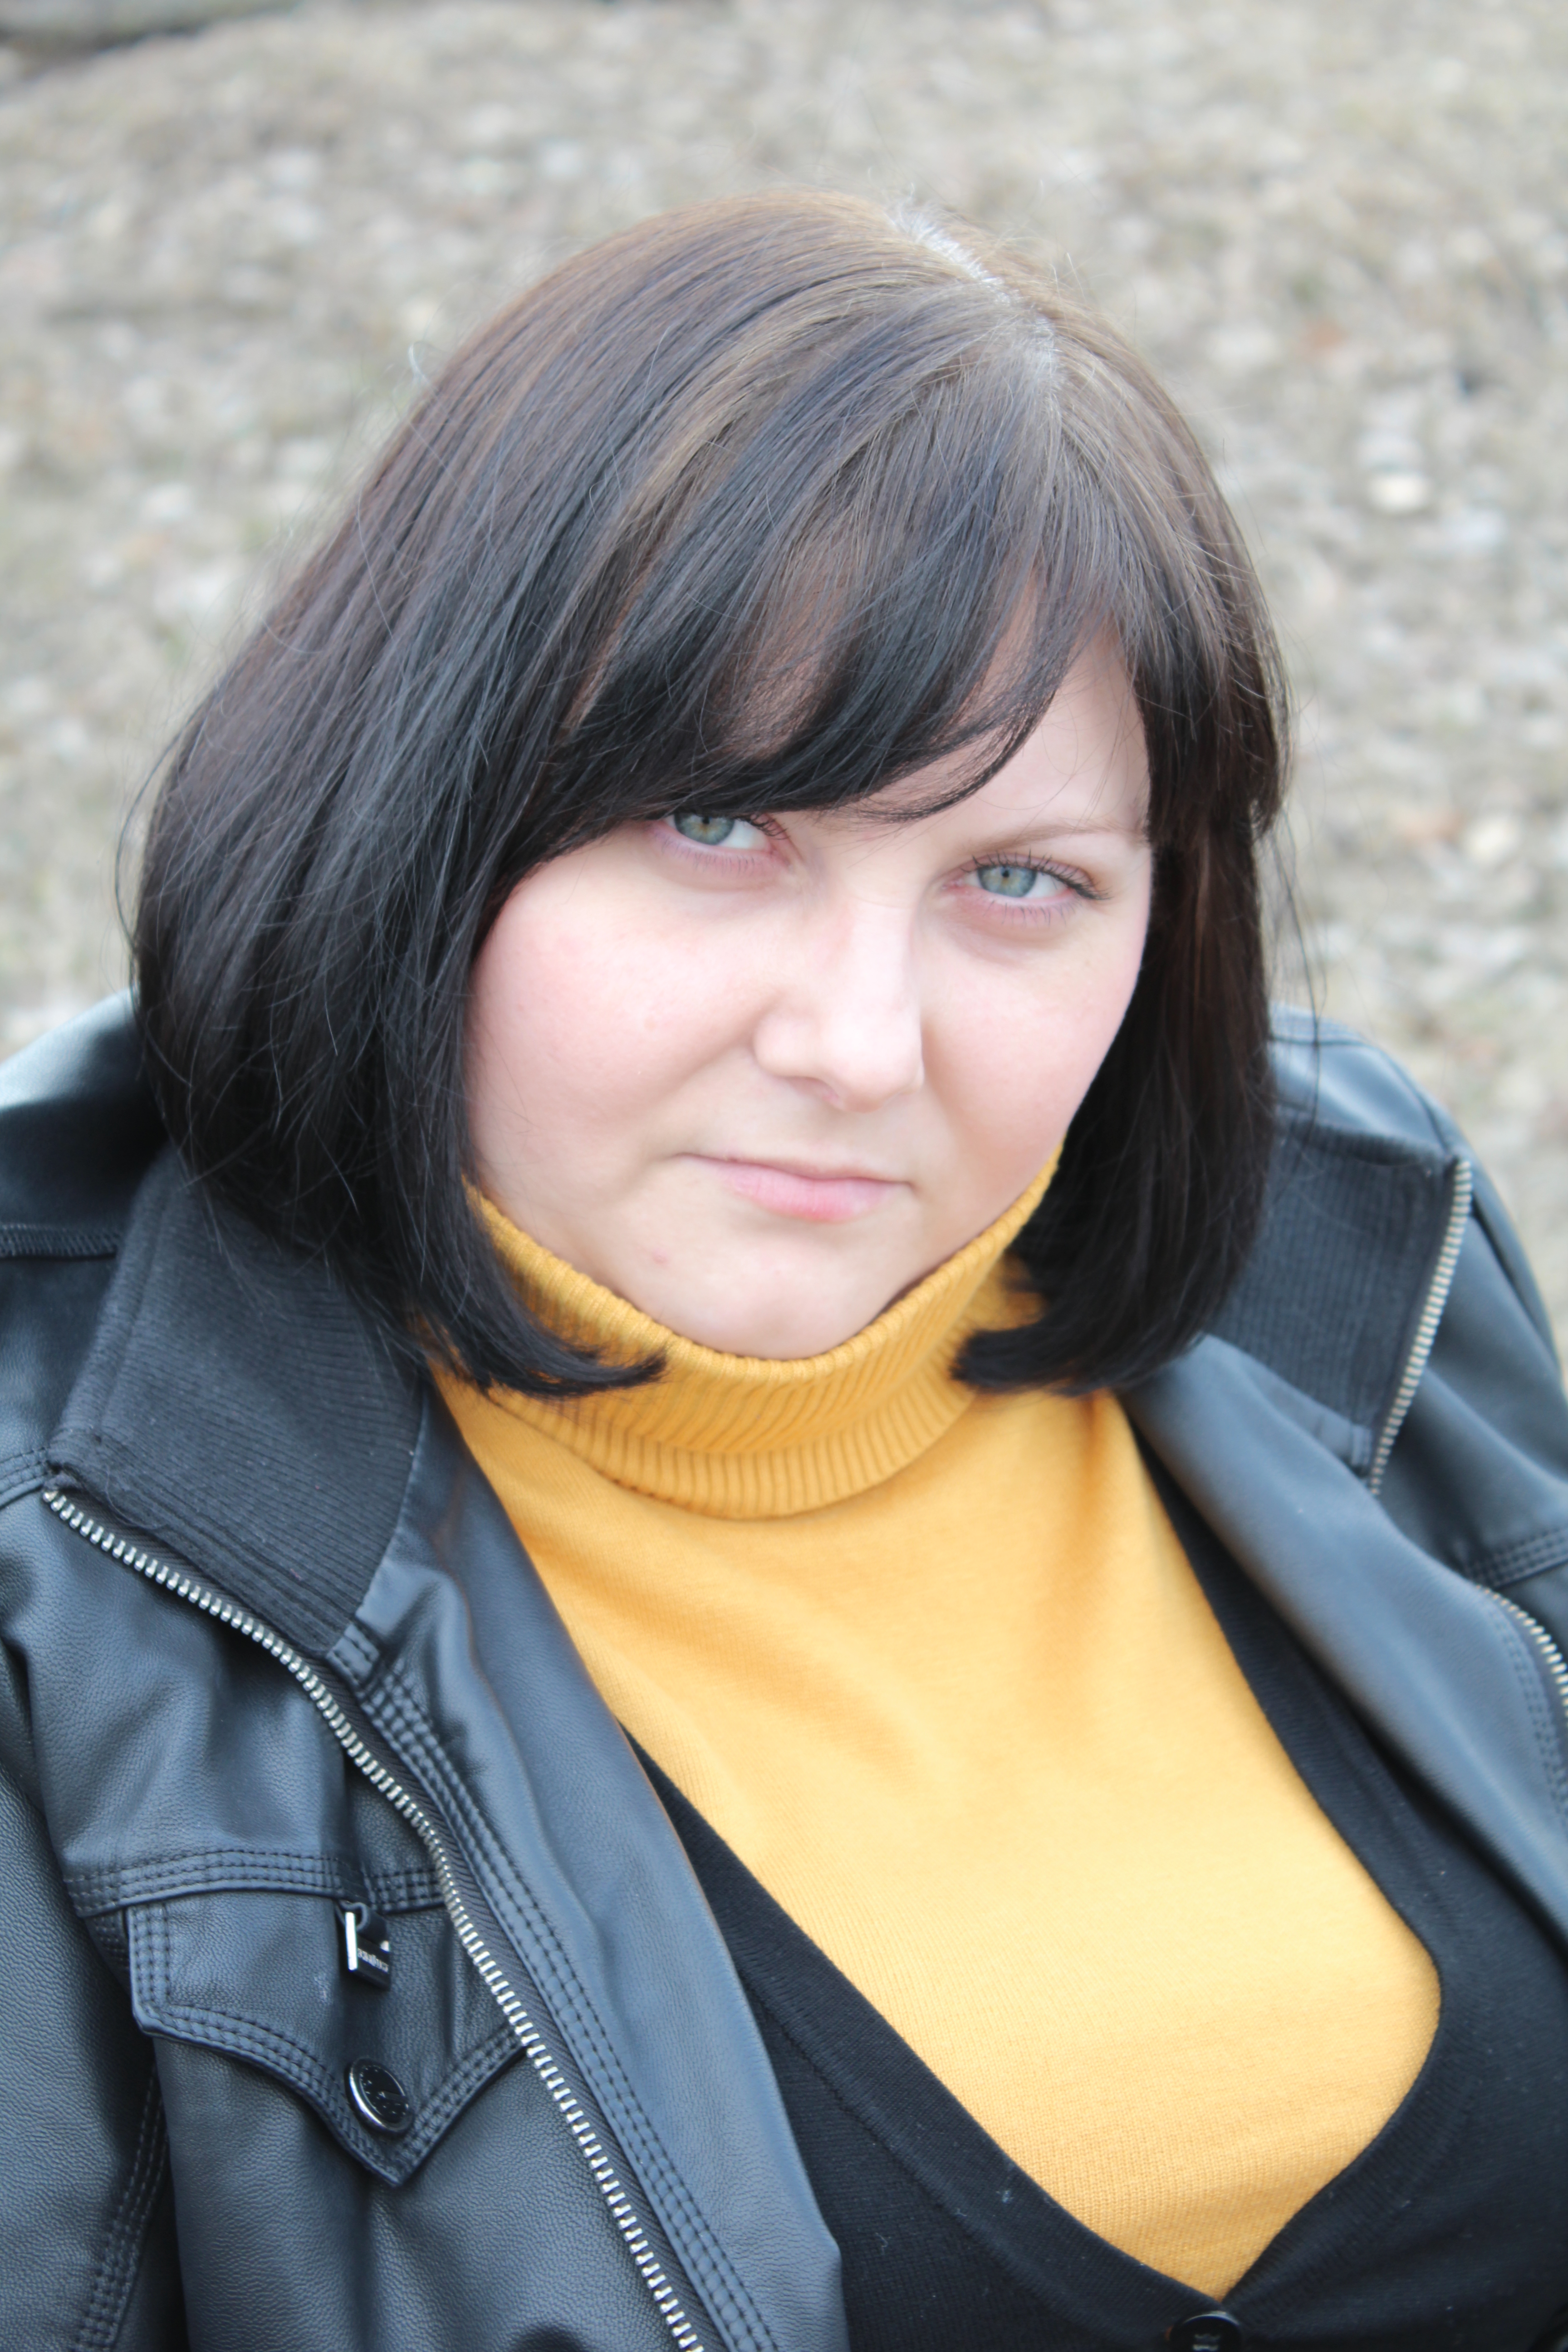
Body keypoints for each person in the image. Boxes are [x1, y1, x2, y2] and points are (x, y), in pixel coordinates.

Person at [3, 191, 1568, 2352]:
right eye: (722, 829)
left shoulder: (1355, 1257)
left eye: (1020, 881)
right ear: (420, 801)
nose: (858, 1044)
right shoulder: (63, 1571)